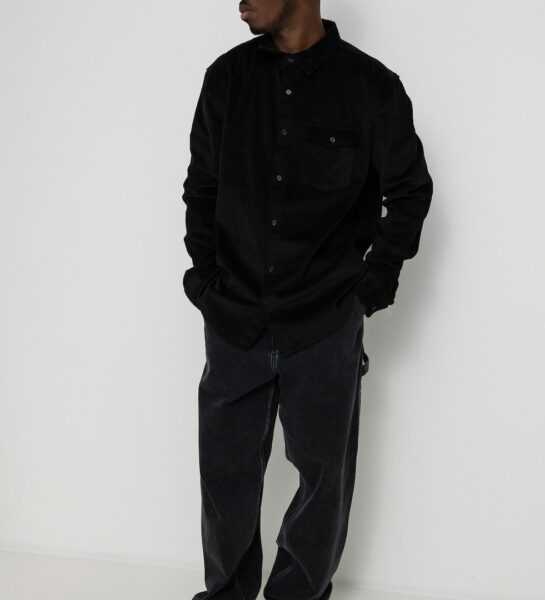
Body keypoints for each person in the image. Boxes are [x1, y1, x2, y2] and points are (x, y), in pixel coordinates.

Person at [181, 2, 433, 599]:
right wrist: (208, 280)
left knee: (323, 479)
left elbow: (409, 191)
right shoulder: (227, 79)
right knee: (225, 473)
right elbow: (202, 187)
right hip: (235, 316)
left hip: (324, 322)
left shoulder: (372, 88)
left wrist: (373, 284)